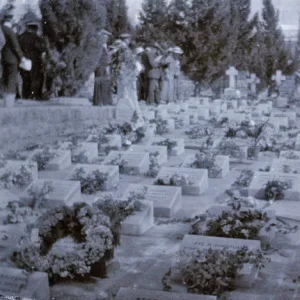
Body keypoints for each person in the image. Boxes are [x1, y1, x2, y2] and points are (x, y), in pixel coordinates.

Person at [1, 13, 25, 105]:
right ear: (11, 20)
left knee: (4, 78)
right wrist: (21, 57)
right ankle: (9, 102)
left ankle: (3, 99)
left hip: (3, 58)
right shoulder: (10, 31)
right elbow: (15, 46)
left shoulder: (2, 29)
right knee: (11, 79)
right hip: (12, 58)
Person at [18, 21, 46, 100]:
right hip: (35, 61)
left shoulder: (20, 37)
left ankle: (26, 95)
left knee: (25, 78)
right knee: (35, 78)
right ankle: (34, 95)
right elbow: (42, 50)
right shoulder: (37, 38)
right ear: (35, 28)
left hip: (23, 61)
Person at [93, 29, 113, 106]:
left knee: (104, 83)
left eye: (107, 38)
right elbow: (99, 57)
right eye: (105, 37)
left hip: (104, 66)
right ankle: (98, 101)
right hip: (100, 66)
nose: (106, 39)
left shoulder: (104, 46)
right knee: (99, 83)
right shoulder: (99, 46)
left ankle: (102, 101)